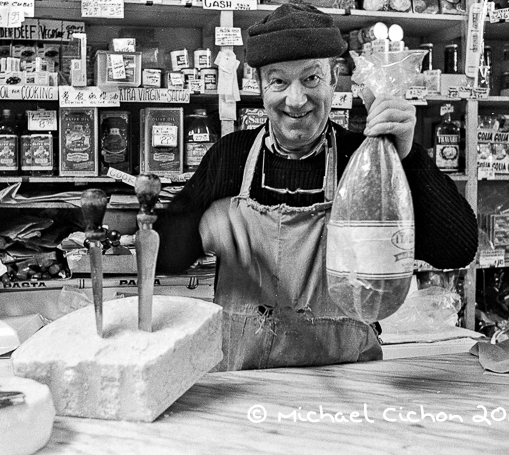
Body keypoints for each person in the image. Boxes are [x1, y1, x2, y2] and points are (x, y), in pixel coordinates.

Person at [154, 3, 478, 371]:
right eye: (279, 81)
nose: (296, 100)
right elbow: (161, 256)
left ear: (334, 78)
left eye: (311, 78)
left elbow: (457, 250)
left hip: (347, 380)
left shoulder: (364, 159)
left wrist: (405, 155)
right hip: (243, 384)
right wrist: (199, 228)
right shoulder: (230, 156)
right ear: (259, 85)